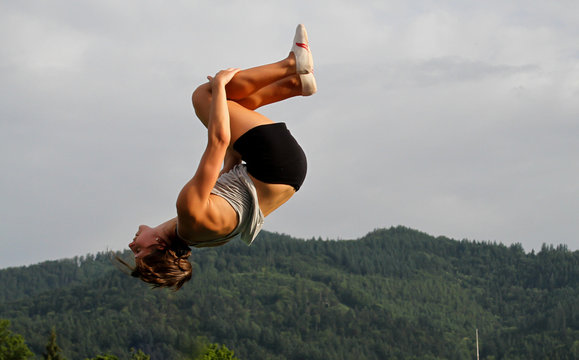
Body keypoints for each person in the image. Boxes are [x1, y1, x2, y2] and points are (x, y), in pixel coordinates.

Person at [120, 24, 316, 290]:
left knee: (226, 111)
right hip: (274, 162)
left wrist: (231, 147)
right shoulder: (188, 209)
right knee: (205, 96)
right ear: (159, 245)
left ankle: (297, 84)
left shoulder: (202, 239)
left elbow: (233, 179)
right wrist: (221, 86)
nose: (132, 245)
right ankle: (292, 64)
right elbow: (219, 141)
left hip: (287, 174)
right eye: (138, 252)